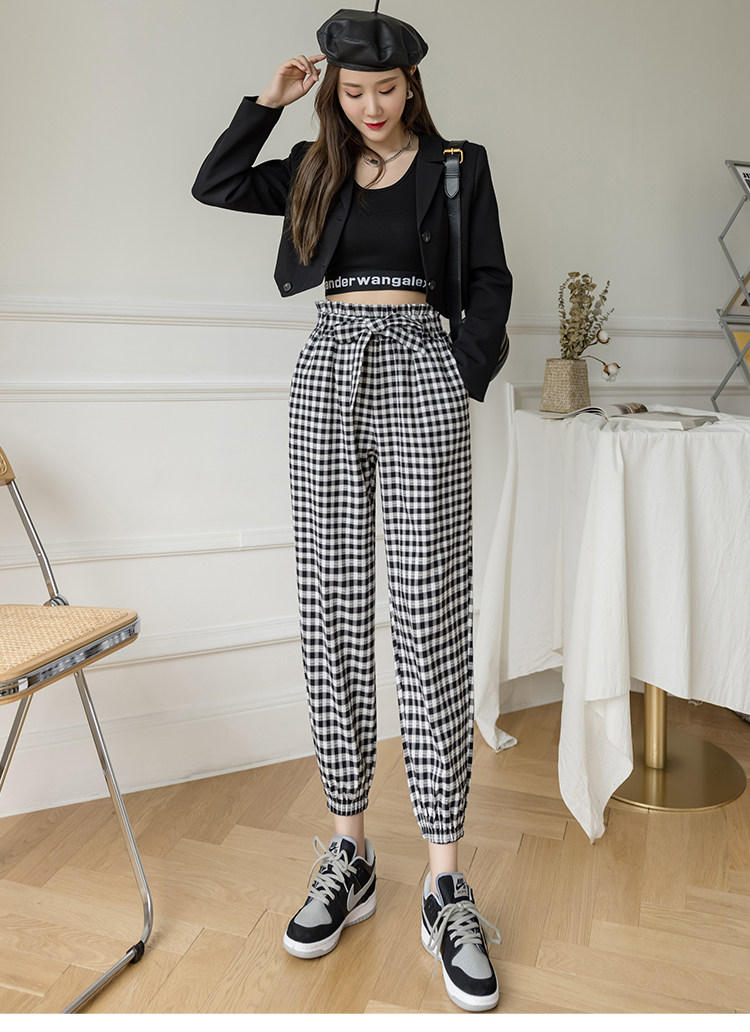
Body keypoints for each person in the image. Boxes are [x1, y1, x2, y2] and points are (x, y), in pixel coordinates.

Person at [192, 3, 511, 1013]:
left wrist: (461, 370)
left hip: (421, 366)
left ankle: (446, 880)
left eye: (386, 88)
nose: (371, 106)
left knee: (429, 613)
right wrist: (267, 102)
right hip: (329, 368)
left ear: (412, 84)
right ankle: (350, 853)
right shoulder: (313, 166)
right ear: (332, 88)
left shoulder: (458, 165)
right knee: (332, 608)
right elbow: (215, 184)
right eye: (354, 90)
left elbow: (491, 278)